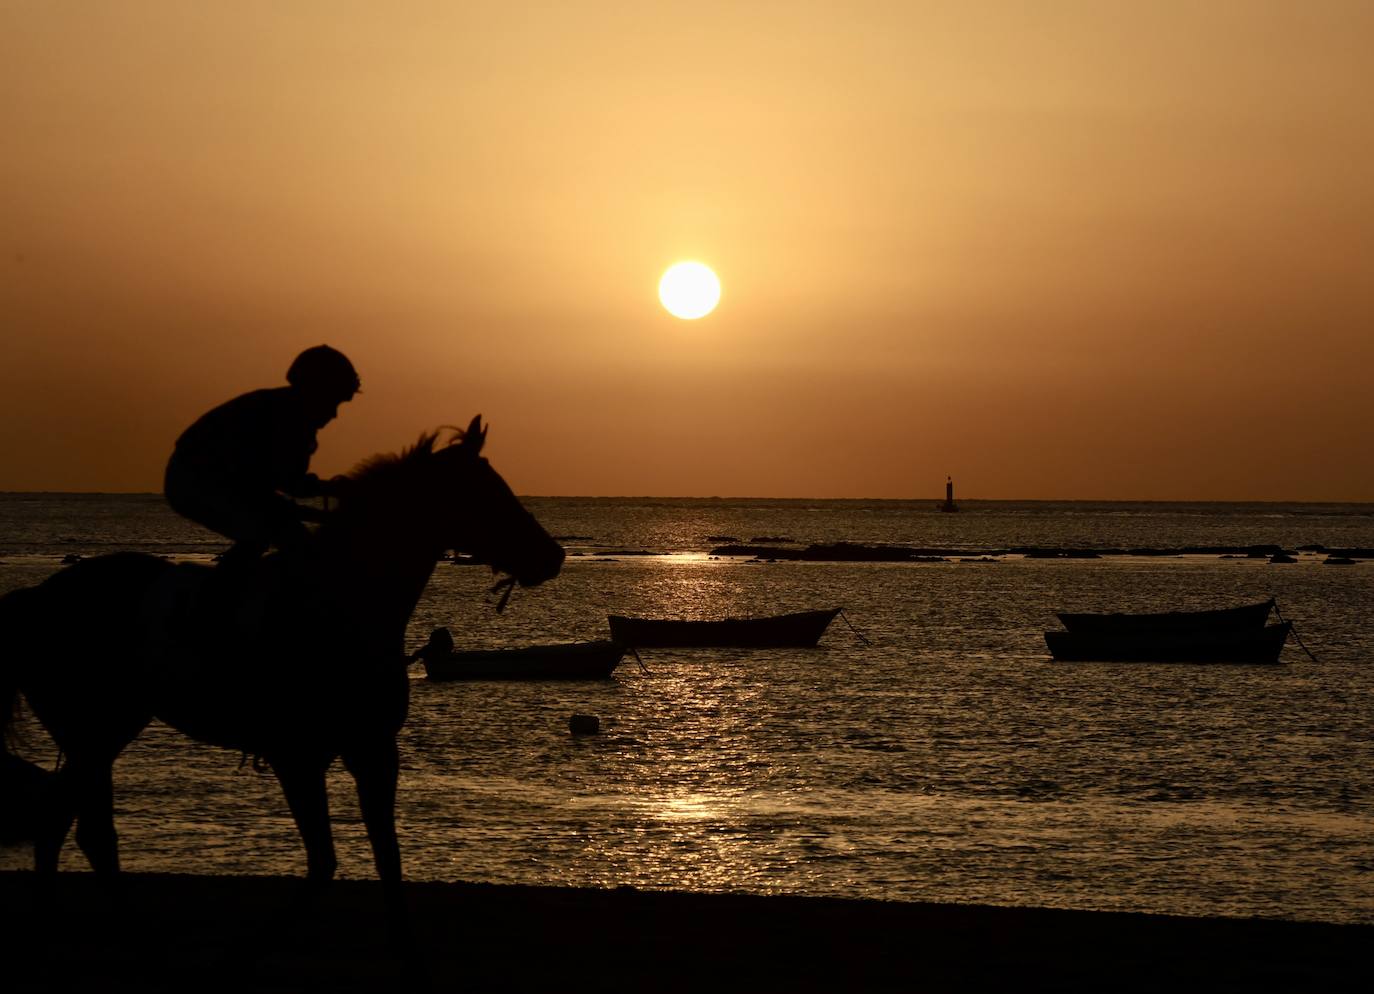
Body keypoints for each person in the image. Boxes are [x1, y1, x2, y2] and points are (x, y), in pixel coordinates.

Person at [164, 345, 360, 574]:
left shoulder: (294, 417)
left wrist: (328, 496)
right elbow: (286, 485)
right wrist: (331, 494)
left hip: (228, 484)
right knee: (259, 536)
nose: (334, 414)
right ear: (316, 392)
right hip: (193, 482)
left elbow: (278, 486)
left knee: (294, 541)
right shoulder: (282, 416)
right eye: (333, 402)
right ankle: (215, 599)